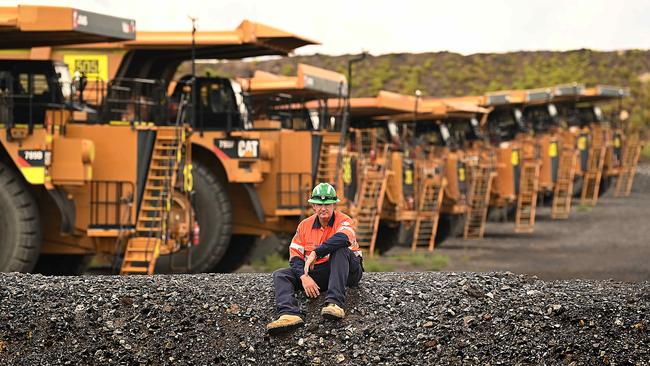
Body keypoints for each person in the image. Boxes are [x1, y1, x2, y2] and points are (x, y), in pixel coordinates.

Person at [266, 183, 363, 335]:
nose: (323, 208)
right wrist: (303, 277)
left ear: (334, 205)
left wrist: (315, 253)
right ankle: (289, 314)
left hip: (349, 270)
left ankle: (335, 304)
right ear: (313, 206)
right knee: (281, 274)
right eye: (319, 204)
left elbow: (344, 238)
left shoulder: (345, 220)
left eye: (328, 204)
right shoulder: (304, 226)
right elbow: (295, 256)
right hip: (323, 271)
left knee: (340, 250)